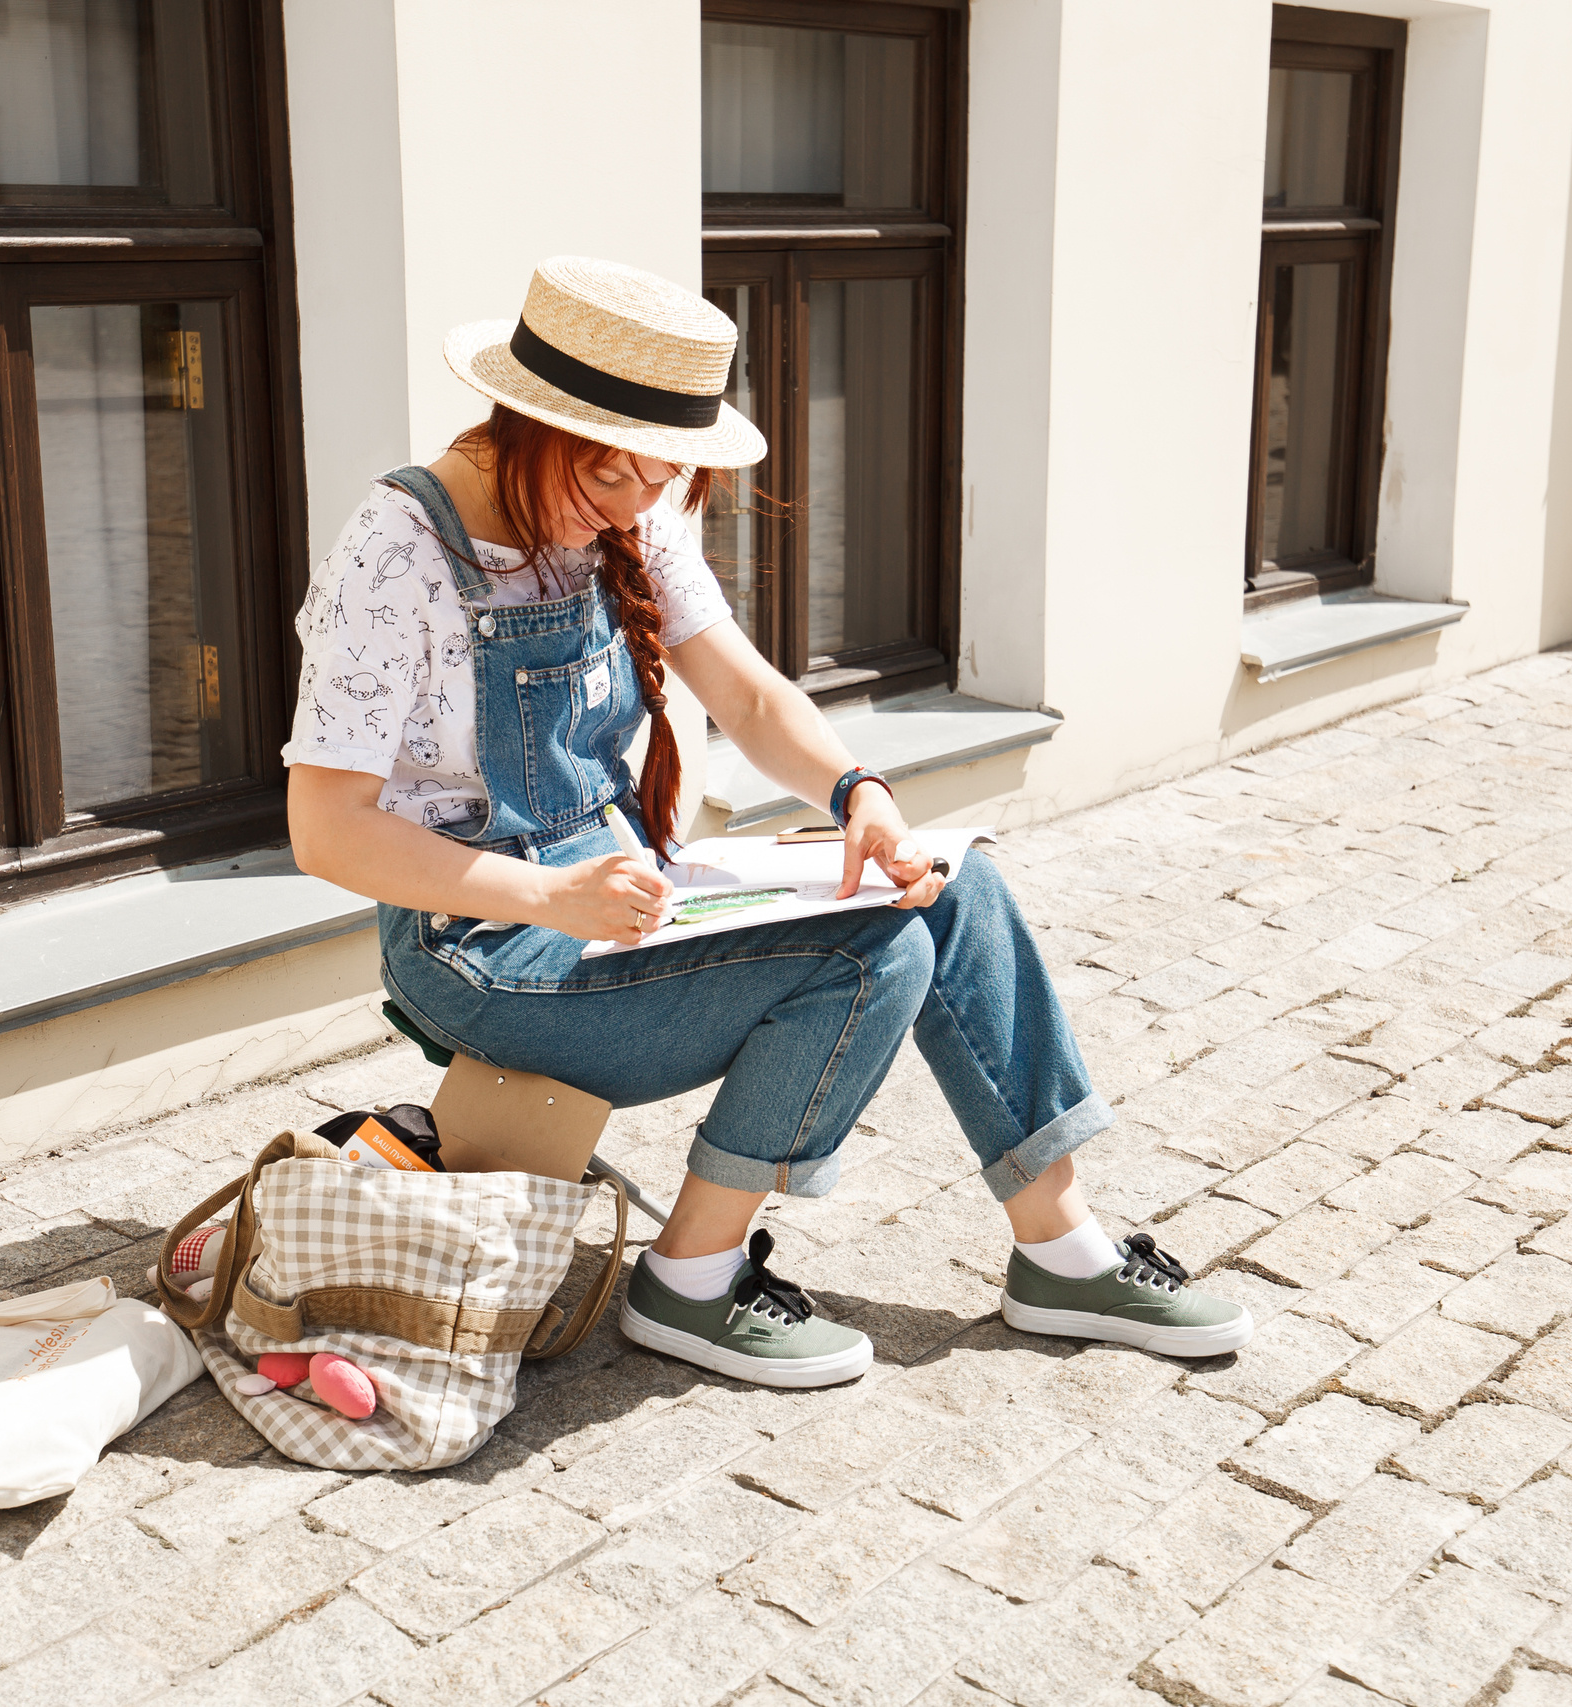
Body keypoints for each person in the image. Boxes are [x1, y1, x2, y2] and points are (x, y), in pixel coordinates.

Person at [285, 256, 1251, 1388]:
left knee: (947, 887)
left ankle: (1061, 1248)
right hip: (484, 945)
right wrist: (549, 893)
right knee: (865, 951)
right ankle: (689, 1281)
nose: (637, 510)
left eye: (659, 483)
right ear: (528, 426)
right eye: (611, 483)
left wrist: (861, 796)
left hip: (619, 901)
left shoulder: (624, 504)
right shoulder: (396, 551)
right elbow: (330, 834)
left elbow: (746, 696)